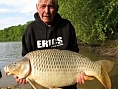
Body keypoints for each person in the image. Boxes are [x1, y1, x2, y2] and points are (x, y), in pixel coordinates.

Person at [14, 0, 85, 89]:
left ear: (56, 9)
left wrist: (80, 74)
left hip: (67, 82)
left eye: (50, 6)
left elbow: (75, 53)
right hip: (41, 84)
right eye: (43, 6)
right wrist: (22, 75)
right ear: (37, 8)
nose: (46, 11)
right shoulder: (30, 30)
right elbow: (25, 58)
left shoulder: (67, 26)